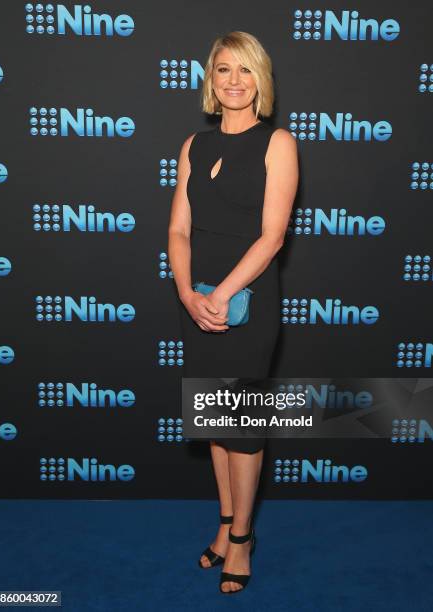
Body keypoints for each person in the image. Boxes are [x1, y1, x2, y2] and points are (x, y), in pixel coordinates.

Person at [168, 31, 298, 594]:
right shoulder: (193, 146)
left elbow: (272, 237)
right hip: (196, 303)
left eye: (245, 70)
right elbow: (177, 229)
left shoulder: (279, 143)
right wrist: (187, 294)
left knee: (241, 429)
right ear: (211, 82)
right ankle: (224, 524)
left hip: (247, 303)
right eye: (224, 70)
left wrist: (221, 294)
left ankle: (243, 538)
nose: (235, 81)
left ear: (260, 80)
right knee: (214, 424)